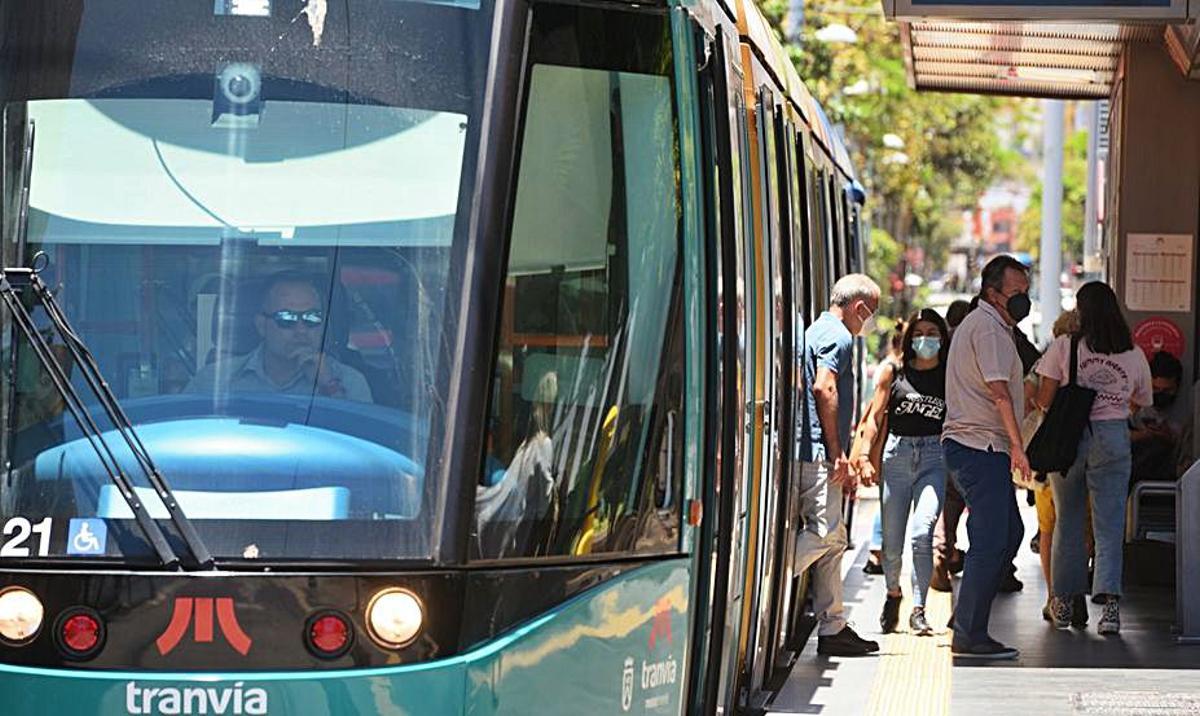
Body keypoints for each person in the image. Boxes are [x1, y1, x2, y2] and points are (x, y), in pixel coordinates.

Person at [1035, 282, 1151, 635]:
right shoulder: (1132, 352)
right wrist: (1112, 403)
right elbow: (1141, 400)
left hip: (1071, 439)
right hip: (1114, 438)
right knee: (1110, 524)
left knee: (1067, 521)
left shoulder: (1065, 346)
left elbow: (1043, 399)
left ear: (1081, 311)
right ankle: (1110, 609)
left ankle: (1065, 603)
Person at [942, 255, 1031, 660]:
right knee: (993, 539)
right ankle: (969, 634)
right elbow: (999, 394)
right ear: (993, 293)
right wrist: (1018, 446)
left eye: (1026, 293)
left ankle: (967, 616)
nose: (1022, 301)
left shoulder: (987, 324)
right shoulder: (991, 331)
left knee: (1008, 533)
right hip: (982, 447)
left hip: (975, 446)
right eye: (1016, 294)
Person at [798, 273, 882, 657]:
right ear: (859, 308)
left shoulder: (815, 328)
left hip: (809, 452)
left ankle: (833, 627)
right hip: (818, 454)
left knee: (835, 542)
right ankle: (761, 580)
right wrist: (837, 453)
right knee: (825, 534)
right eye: (871, 314)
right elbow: (824, 386)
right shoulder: (839, 336)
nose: (869, 323)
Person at [852, 309, 949, 636]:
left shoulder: (951, 375)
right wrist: (866, 456)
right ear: (909, 339)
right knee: (892, 544)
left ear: (943, 337)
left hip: (935, 457)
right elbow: (875, 418)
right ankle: (894, 593)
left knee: (922, 533)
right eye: (920, 333)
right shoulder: (893, 372)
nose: (926, 339)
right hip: (896, 456)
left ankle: (919, 609)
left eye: (933, 333)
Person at [188, 273, 372, 402]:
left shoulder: (349, 382)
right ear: (262, 325)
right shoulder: (212, 382)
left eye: (311, 318)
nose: (301, 330)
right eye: (286, 318)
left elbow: (363, 449)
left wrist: (328, 386)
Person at [1030, 309, 1093, 626]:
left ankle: (1056, 597)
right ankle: (1078, 593)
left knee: (1050, 529)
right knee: (1082, 527)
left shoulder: (1052, 357)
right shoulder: (1101, 356)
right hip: (1091, 450)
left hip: (1054, 455)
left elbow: (1040, 400)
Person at [931, 300, 971, 592]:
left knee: (949, 505)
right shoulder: (974, 343)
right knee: (979, 507)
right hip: (970, 436)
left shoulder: (942, 348)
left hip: (942, 436)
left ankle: (940, 559)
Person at [862, 321, 905, 577]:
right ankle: (877, 550)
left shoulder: (890, 367)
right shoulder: (890, 369)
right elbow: (875, 414)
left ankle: (878, 550)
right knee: (886, 500)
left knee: (887, 500)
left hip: (889, 441)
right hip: (886, 441)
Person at [1130, 351, 1185, 485]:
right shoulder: (1135, 402)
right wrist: (1146, 434)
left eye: (1167, 390)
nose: (1161, 394)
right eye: (1155, 389)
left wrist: (1169, 437)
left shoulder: (1187, 409)